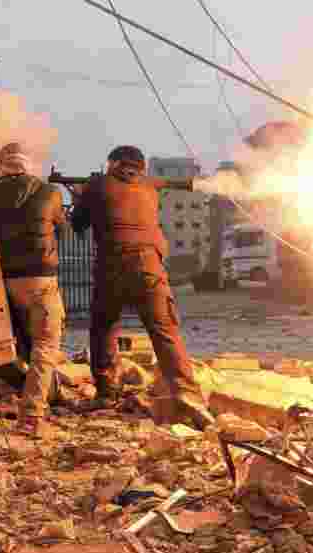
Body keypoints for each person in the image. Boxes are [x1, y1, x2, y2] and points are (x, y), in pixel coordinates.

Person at [70, 145, 214, 430]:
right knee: (164, 331)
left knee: (104, 326)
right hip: (150, 266)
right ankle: (188, 396)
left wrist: (79, 195)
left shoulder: (98, 184)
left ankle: (107, 392)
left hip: (112, 266)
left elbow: (77, 225)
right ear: (140, 167)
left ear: (112, 164)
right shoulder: (149, 186)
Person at [0, 142, 70, 437]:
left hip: (8, 279)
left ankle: (47, 394)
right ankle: (31, 417)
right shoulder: (50, 192)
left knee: (23, 343)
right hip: (42, 279)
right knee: (46, 344)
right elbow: (65, 228)